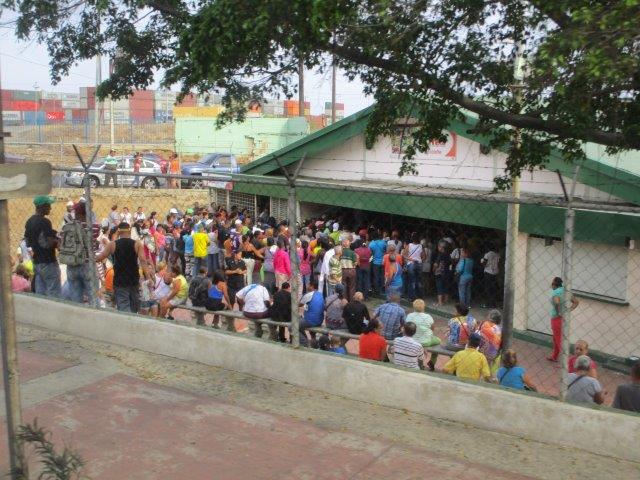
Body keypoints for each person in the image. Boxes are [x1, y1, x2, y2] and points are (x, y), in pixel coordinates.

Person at [95, 222, 151, 312]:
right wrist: (148, 278)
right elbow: (143, 261)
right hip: (133, 281)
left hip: (120, 282)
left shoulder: (112, 245)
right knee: (134, 309)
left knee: (124, 309)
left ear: (118, 231)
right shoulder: (137, 244)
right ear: (129, 231)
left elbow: (99, 258)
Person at [24, 196, 61, 298]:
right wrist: (57, 241)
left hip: (37, 262)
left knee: (40, 293)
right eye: (48, 206)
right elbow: (48, 243)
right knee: (53, 293)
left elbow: (27, 242)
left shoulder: (29, 221)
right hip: (48, 261)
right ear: (42, 207)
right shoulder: (45, 222)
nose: (50, 208)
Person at [60, 202, 94, 304]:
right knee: (93, 297)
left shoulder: (67, 227)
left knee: (76, 299)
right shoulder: (94, 227)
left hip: (72, 263)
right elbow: (94, 246)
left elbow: (60, 243)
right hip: (87, 264)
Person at [547, 277, 579, 362]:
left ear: (554, 284)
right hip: (564, 318)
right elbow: (576, 302)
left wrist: (558, 312)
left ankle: (567, 362)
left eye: (552, 283)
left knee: (558, 340)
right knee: (556, 338)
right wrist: (568, 310)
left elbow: (557, 302)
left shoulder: (555, 292)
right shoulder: (566, 291)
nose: (551, 285)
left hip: (556, 319)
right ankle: (554, 356)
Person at [406, 299, 440, 371]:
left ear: (413, 306)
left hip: (412, 339)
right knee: (438, 341)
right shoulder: (428, 316)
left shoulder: (409, 316)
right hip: (425, 341)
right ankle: (432, 361)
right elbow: (432, 328)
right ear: (423, 307)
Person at [298, 280, 325, 347]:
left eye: (308, 285)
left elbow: (299, 304)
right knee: (304, 321)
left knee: (292, 327)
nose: (307, 286)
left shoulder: (308, 295)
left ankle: (306, 343)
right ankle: (314, 342)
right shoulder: (320, 294)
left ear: (312, 286)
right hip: (320, 321)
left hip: (310, 321)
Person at [403, 233, 425, 301]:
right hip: (419, 264)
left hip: (411, 264)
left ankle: (411, 297)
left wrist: (411, 259)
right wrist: (419, 261)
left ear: (412, 238)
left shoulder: (409, 245)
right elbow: (424, 257)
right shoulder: (421, 246)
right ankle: (419, 296)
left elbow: (404, 255)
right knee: (419, 281)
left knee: (411, 281)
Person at [481, 243, 500, 308]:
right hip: (495, 273)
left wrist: (482, 261)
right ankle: (493, 303)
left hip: (488, 272)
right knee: (493, 288)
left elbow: (484, 263)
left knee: (488, 289)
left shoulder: (487, 254)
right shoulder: (497, 254)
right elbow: (498, 263)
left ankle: (488, 303)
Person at [432, 241, 451, 307]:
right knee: (445, 287)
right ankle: (446, 300)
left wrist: (433, 269)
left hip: (439, 273)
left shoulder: (440, 255)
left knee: (439, 287)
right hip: (447, 273)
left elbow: (436, 264)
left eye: (438, 246)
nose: (438, 247)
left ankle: (440, 302)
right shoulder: (448, 255)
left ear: (441, 247)